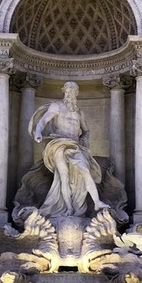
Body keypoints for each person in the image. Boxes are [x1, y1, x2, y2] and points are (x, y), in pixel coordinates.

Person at [30, 82, 109, 218]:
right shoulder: (57, 106)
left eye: (73, 91)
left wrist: (84, 140)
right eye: (68, 91)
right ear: (64, 92)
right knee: (63, 176)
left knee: (85, 170)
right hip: (59, 143)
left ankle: (96, 202)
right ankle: (68, 208)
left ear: (77, 93)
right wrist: (38, 132)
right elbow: (43, 121)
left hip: (75, 145)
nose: (70, 93)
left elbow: (86, 130)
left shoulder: (79, 112)